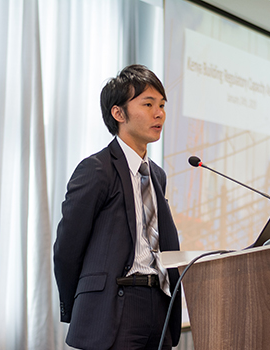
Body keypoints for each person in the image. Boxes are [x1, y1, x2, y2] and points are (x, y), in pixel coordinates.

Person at [54, 64, 181, 350]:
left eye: (161, 105)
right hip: (115, 306)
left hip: (158, 303)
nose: (159, 113)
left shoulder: (157, 175)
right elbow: (67, 248)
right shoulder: (96, 170)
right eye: (148, 104)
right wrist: (88, 302)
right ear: (118, 113)